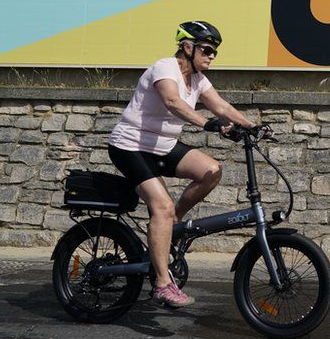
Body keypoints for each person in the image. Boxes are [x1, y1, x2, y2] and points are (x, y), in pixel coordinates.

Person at [108, 21, 267, 308]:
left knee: (211, 170)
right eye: (206, 50)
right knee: (162, 206)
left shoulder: (199, 81)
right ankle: (161, 284)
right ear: (187, 47)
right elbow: (173, 102)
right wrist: (208, 124)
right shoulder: (165, 68)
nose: (211, 56)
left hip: (163, 146)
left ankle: (172, 224)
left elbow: (222, 107)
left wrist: (253, 126)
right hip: (130, 146)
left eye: (215, 52)